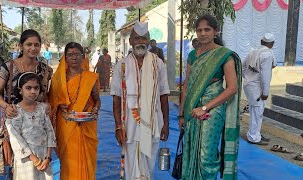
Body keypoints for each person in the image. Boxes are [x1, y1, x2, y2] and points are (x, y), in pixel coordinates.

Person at [178, 14, 242, 179]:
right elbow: (186, 86)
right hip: (192, 110)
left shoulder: (224, 55)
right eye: (199, 30)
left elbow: (232, 88)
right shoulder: (193, 56)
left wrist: (205, 108)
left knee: (206, 155)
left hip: (212, 111)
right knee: (191, 151)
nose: (203, 33)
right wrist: (181, 114)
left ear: (216, 31)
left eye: (207, 29)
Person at [111, 21, 170, 179]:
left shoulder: (158, 64)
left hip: (153, 123)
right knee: (131, 163)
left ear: (149, 40)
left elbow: (164, 94)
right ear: (130, 41)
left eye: (144, 38)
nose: (140, 42)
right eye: (137, 38)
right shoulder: (121, 66)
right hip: (128, 125)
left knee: (148, 163)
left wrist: (166, 124)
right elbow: (116, 97)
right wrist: (118, 126)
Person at [49, 42, 101, 180]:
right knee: (68, 163)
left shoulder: (91, 77)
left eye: (77, 54)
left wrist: (95, 109)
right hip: (65, 125)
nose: (74, 57)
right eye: (70, 55)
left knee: (86, 161)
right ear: (65, 57)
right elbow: (51, 101)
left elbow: (97, 100)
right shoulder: (58, 79)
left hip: (86, 124)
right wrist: (59, 106)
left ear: (83, 56)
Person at [5, 73, 56, 180]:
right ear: (20, 90)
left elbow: (50, 132)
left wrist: (48, 157)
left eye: (36, 88)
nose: (33, 91)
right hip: (26, 159)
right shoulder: (15, 112)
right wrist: (34, 160)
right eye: (28, 88)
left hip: (43, 157)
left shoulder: (43, 109)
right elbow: (16, 139)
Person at [0, 29, 53, 119]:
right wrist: (6, 107)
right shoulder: (8, 67)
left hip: (37, 121)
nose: (33, 48)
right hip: (14, 119)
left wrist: (48, 105)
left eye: (37, 45)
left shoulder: (46, 70)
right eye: (29, 44)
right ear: (21, 46)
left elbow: (45, 95)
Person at [243, 33, 275, 145]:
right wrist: (265, 92)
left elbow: (243, 66)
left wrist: (247, 78)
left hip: (249, 85)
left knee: (255, 110)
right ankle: (253, 137)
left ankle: (256, 133)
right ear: (272, 44)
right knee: (257, 112)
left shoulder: (252, 51)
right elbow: (265, 75)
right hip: (257, 87)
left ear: (262, 42)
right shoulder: (267, 54)